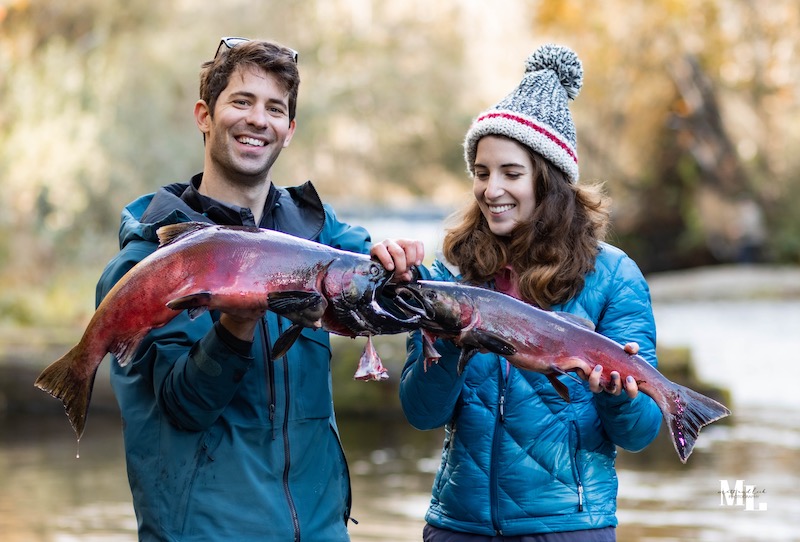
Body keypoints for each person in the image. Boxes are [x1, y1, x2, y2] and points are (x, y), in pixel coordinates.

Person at [96, 37, 421, 541]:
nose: (258, 120)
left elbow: (388, 291)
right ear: (204, 115)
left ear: (289, 131)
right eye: (241, 102)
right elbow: (181, 409)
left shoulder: (321, 235)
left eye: (275, 108)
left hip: (319, 530)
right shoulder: (147, 264)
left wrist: (402, 264)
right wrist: (235, 327)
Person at [394, 44, 663, 541]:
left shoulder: (614, 276)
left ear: (550, 181)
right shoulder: (451, 274)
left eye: (511, 173)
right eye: (481, 172)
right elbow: (420, 413)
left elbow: (641, 432)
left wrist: (620, 399)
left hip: (567, 528)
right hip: (458, 526)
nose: (490, 188)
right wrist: (450, 339)